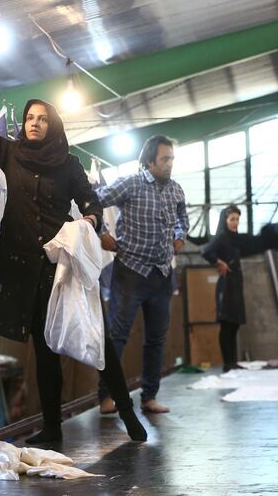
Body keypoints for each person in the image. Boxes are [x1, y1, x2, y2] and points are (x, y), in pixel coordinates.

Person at [0, 71, 146, 444]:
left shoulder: (68, 164)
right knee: (45, 349)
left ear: (51, 125)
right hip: (27, 269)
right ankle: (52, 428)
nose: (34, 124)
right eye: (29, 118)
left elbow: (91, 200)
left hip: (65, 268)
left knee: (98, 339)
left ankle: (127, 412)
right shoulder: (11, 153)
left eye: (42, 119)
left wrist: (89, 218)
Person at [95, 135, 188, 415]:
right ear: (150, 162)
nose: (170, 164)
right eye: (165, 159)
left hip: (161, 273)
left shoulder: (176, 190)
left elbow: (183, 218)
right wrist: (102, 233)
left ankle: (149, 397)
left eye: (172, 158)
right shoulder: (130, 183)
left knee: (156, 338)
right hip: (130, 272)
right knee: (117, 336)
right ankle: (105, 397)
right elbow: (94, 202)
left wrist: (180, 236)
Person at [201, 205, 278, 372]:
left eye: (237, 219)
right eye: (232, 220)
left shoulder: (236, 239)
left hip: (236, 282)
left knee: (235, 323)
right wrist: (218, 262)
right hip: (226, 284)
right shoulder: (222, 237)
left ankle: (231, 362)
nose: (235, 223)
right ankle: (227, 363)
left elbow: (254, 244)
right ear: (225, 220)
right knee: (227, 324)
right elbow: (206, 251)